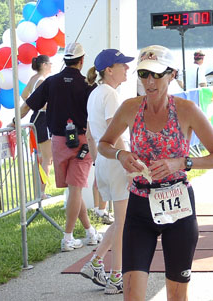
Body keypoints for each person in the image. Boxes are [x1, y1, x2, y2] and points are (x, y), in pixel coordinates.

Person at [97, 45, 213, 300]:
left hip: (178, 207)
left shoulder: (186, 109)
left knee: (177, 296)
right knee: (132, 295)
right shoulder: (129, 108)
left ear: (172, 74)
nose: (149, 82)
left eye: (157, 74)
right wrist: (121, 154)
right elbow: (104, 144)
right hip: (140, 205)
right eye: (144, 74)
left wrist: (182, 163)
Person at [20, 42, 102, 251]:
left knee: (74, 189)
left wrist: (13, 122)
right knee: (75, 189)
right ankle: (67, 237)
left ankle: (90, 232)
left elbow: (28, 105)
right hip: (82, 140)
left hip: (57, 141)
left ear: (64, 60)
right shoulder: (87, 85)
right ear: (82, 60)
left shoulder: (51, 82)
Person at [80, 48, 134, 295]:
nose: (127, 69)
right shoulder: (111, 95)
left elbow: (91, 135)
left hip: (104, 161)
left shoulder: (95, 94)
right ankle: (115, 277)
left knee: (122, 219)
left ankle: (96, 262)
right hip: (116, 161)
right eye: (122, 65)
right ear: (109, 70)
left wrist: (97, 161)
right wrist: (129, 163)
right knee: (124, 223)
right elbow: (117, 135)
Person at [11, 55, 53, 200]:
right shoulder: (42, 81)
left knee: (40, 157)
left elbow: (24, 95)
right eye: (50, 63)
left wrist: (34, 103)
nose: (52, 66)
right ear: (45, 65)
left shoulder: (33, 79)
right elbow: (41, 101)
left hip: (35, 119)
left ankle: (38, 192)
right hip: (42, 118)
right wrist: (43, 104)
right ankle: (41, 192)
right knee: (47, 159)